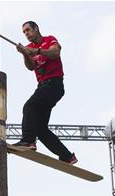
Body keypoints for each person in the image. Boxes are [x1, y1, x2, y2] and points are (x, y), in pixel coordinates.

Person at [13, 21, 78, 164]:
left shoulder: (49, 40)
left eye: (28, 30)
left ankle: (28, 141)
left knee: (29, 107)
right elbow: (31, 67)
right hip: (43, 87)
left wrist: (37, 51)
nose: (26, 34)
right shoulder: (29, 48)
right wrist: (25, 54)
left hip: (53, 84)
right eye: (24, 32)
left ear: (36, 29)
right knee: (41, 130)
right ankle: (67, 156)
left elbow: (55, 53)